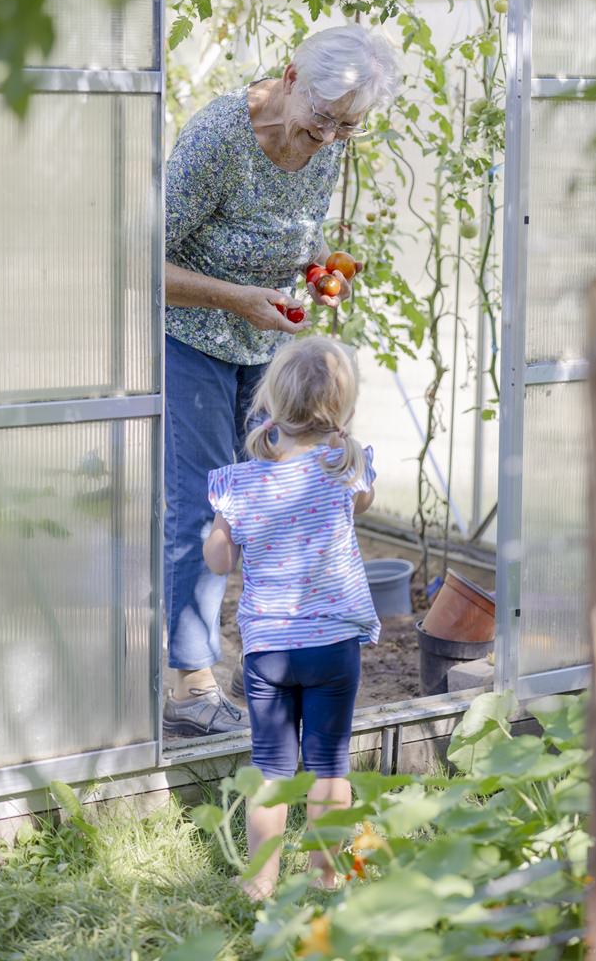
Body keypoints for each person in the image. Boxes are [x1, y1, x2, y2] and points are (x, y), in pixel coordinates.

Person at [163, 23, 397, 737]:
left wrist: (321, 271)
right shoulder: (218, 142)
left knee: (271, 499)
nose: (330, 137)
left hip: (263, 344)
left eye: (347, 127)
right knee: (202, 508)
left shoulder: (324, 146)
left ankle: (265, 661)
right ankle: (189, 684)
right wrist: (237, 298)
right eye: (323, 117)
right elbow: (138, 264)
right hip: (191, 338)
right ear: (292, 75)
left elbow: (298, 234)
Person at [203, 337, 379, 899]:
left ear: (272, 405)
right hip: (332, 646)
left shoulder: (240, 482)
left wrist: (224, 531)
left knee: (272, 768)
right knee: (330, 766)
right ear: (342, 412)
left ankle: (259, 881)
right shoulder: (345, 468)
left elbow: (219, 559)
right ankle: (328, 877)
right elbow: (361, 504)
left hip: (269, 649)